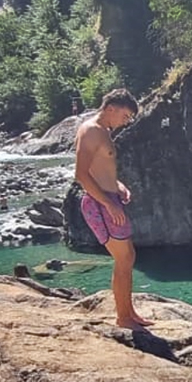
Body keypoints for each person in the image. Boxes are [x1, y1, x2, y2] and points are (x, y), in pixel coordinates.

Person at [74, 88, 152, 329]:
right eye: (125, 116)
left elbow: (101, 170)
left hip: (108, 198)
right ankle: (123, 317)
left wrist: (117, 186)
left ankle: (129, 313)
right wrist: (108, 203)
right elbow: (81, 175)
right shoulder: (91, 132)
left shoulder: (104, 131)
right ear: (110, 108)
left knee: (127, 257)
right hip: (100, 203)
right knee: (124, 257)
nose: (126, 122)